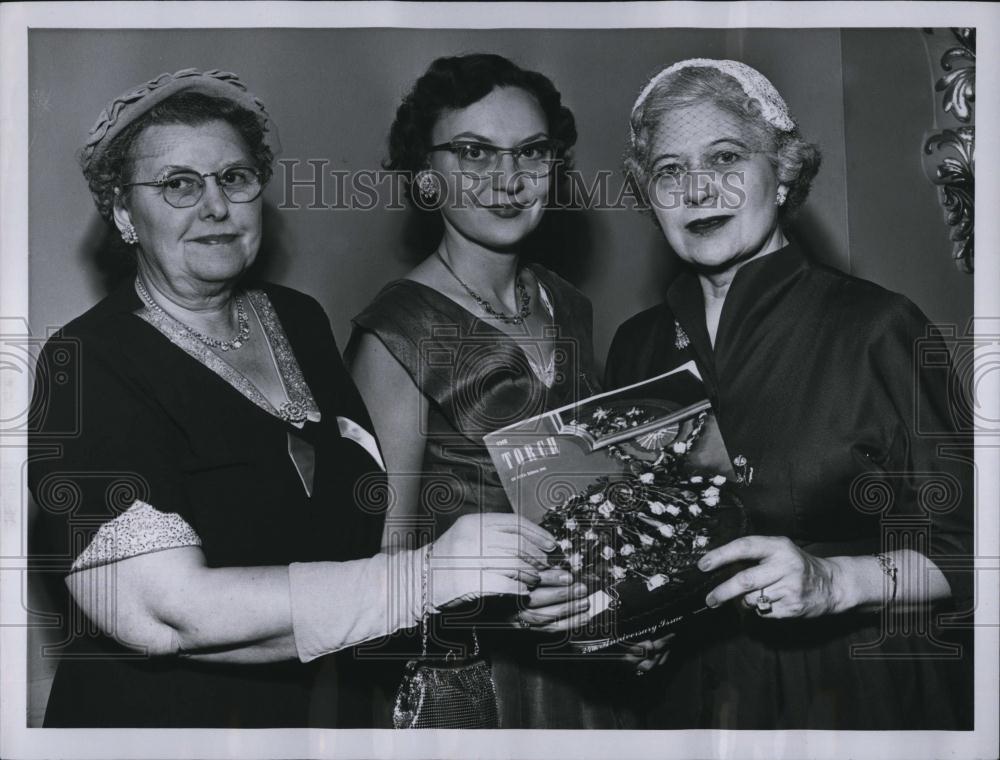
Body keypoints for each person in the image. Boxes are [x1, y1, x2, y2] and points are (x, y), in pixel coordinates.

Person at [27, 68, 554, 728]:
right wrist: (427, 578)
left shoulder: (297, 321)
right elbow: (161, 613)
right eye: (178, 186)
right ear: (124, 214)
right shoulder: (91, 365)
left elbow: (362, 537)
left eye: (236, 178)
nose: (215, 207)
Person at [605, 58, 974, 729]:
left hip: (853, 695)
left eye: (725, 157)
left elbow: (977, 550)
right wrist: (634, 626)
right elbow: (636, 547)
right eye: (668, 170)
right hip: (691, 706)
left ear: (782, 174)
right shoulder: (636, 346)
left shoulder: (875, 326)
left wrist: (837, 583)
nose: (696, 189)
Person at [348, 54, 659, 728]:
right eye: (473, 153)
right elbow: (382, 572)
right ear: (426, 174)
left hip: (587, 679)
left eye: (531, 152)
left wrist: (634, 612)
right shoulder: (395, 333)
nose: (507, 180)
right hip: (467, 685)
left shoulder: (569, 306)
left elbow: (597, 512)